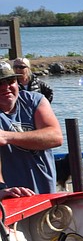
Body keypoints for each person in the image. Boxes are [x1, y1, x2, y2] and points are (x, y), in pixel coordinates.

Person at [0, 60, 62, 194]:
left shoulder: (35, 100)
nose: (6, 87)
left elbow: (55, 137)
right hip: (11, 199)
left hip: (45, 194)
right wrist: (1, 190)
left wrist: (7, 136)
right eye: (0, 83)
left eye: (10, 81)